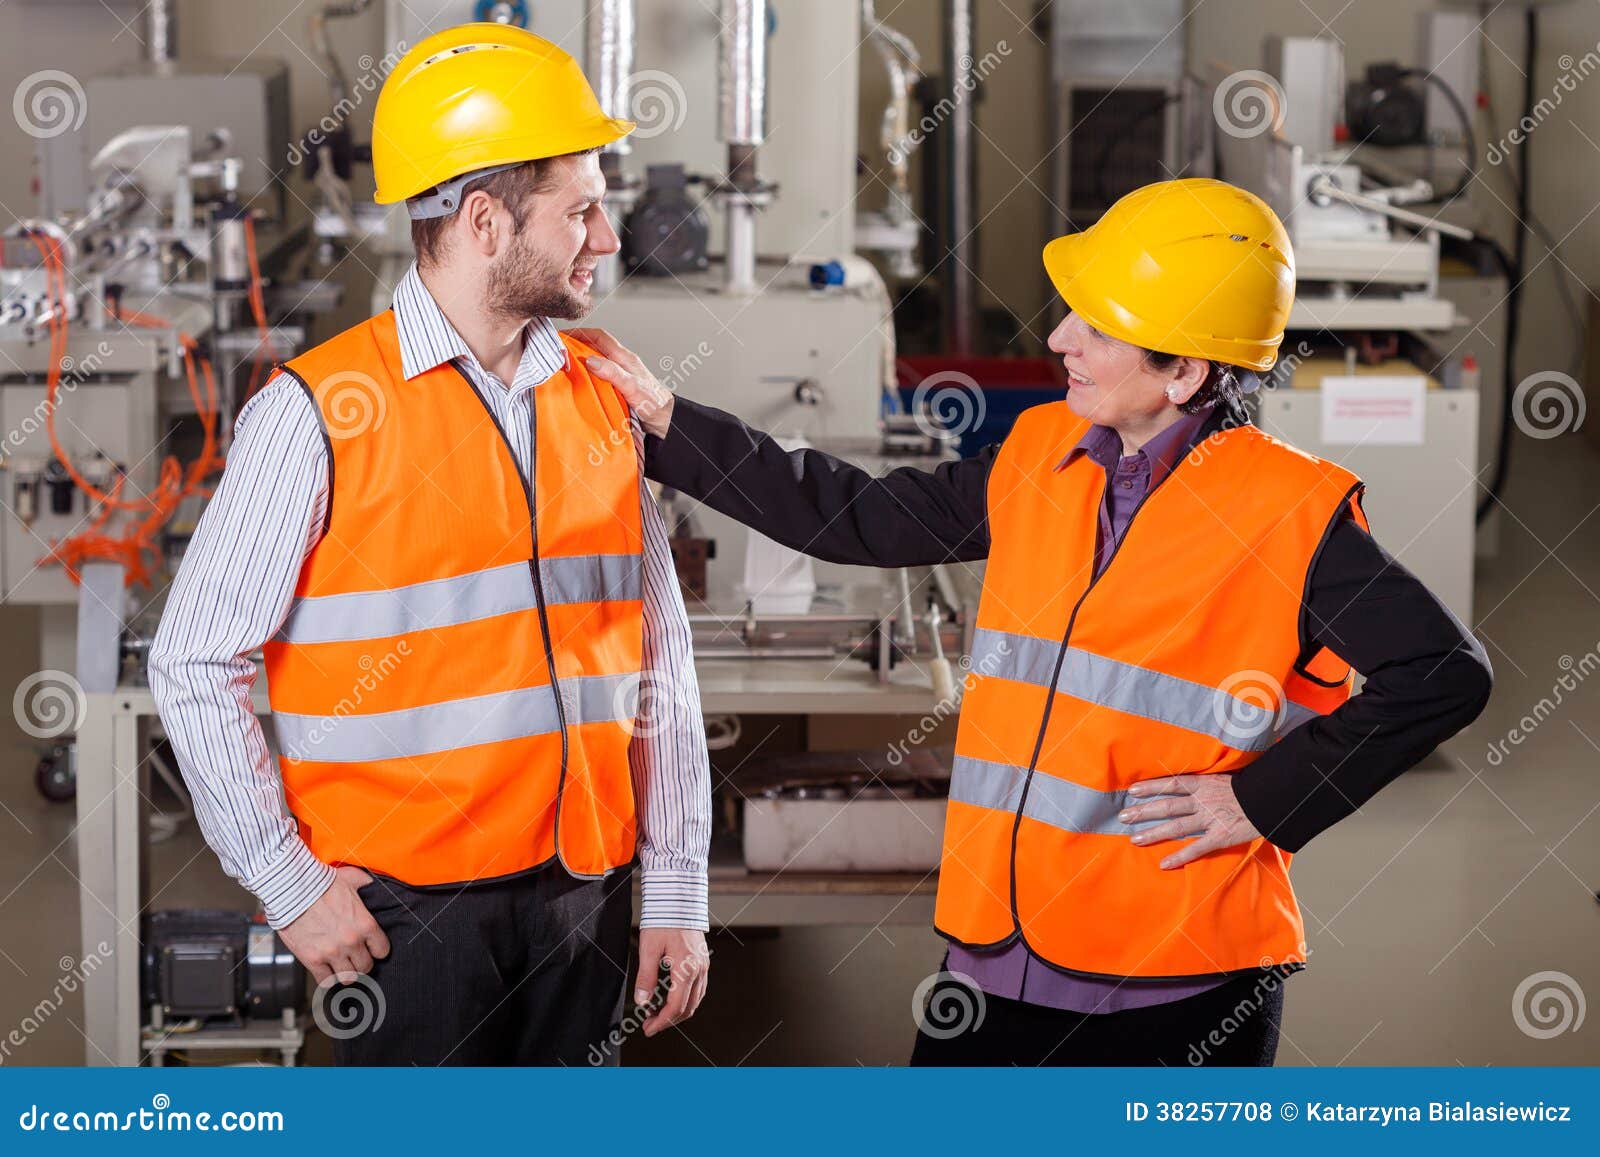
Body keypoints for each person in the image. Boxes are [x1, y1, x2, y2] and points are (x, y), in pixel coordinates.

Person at [573, 177, 1493, 1066]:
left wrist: (1259, 800)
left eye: (1098, 328)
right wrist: (670, 422)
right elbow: (860, 516)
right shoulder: (1041, 450)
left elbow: (1444, 673)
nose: (1060, 340)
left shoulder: (1290, 514)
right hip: (994, 955)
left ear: (1184, 371)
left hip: (1174, 982)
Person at [150, 24, 711, 1066]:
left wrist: (675, 885)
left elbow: (659, 657)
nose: (607, 237)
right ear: (485, 221)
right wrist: (287, 884)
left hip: (586, 901)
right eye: (580, 210)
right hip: (407, 924)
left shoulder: (601, 395)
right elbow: (192, 659)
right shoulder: (319, 412)